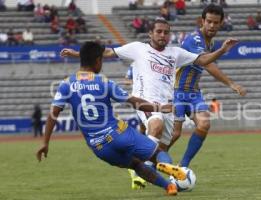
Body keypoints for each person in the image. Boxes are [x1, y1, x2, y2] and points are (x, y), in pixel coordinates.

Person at [60, 18, 239, 188]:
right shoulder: (137, 48)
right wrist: (78, 54)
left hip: (167, 105)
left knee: (162, 147)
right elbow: (107, 52)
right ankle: (139, 171)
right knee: (156, 124)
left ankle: (147, 171)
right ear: (150, 34)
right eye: (159, 32)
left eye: (166, 33)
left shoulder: (176, 53)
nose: (163, 35)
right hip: (145, 101)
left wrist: (222, 50)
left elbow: (202, 60)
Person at [36, 41, 187, 196]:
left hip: (99, 147)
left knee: (136, 165)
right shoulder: (103, 82)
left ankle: (169, 187)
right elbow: (133, 102)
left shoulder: (66, 84)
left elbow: (53, 115)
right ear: (97, 61)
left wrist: (45, 143)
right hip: (120, 134)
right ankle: (166, 166)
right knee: (157, 153)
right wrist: (160, 108)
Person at [169, 4, 246, 167]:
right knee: (175, 134)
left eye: (215, 23)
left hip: (193, 93)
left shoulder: (209, 42)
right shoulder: (193, 39)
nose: (212, 26)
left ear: (221, 23)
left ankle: (183, 167)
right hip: (177, 92)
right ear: (202, 21)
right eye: (209, 21)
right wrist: (230, 83)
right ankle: (149, 161)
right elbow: (206, 63)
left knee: (204, 124)